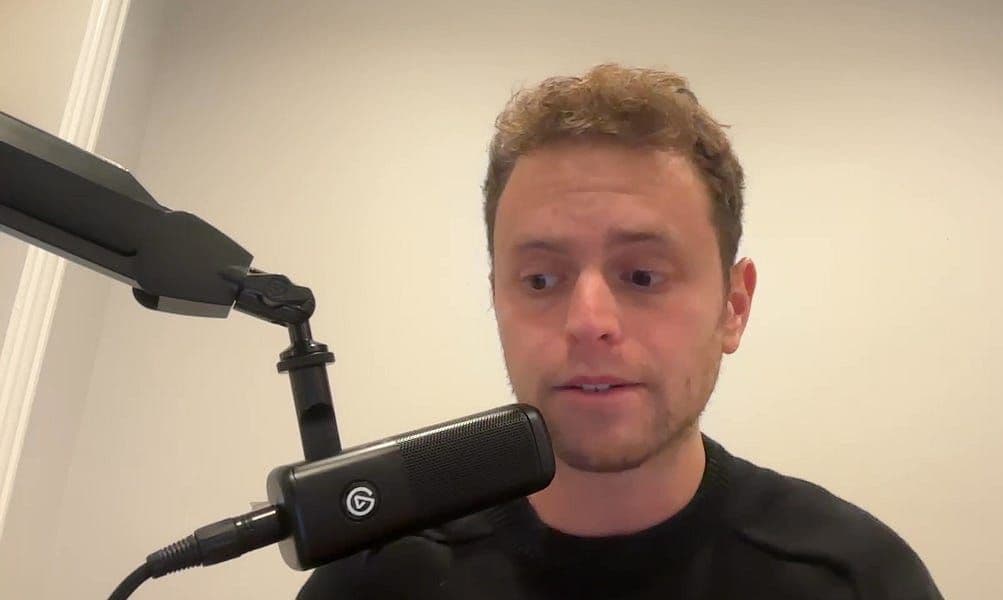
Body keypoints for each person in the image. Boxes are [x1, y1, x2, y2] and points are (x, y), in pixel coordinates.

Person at [299, 63, 942, 599]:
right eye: (541, 280)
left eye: (642, 275)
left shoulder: (858, 581)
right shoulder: (372, 584)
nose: (589, 323)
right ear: (496, 297)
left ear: (734, 306)